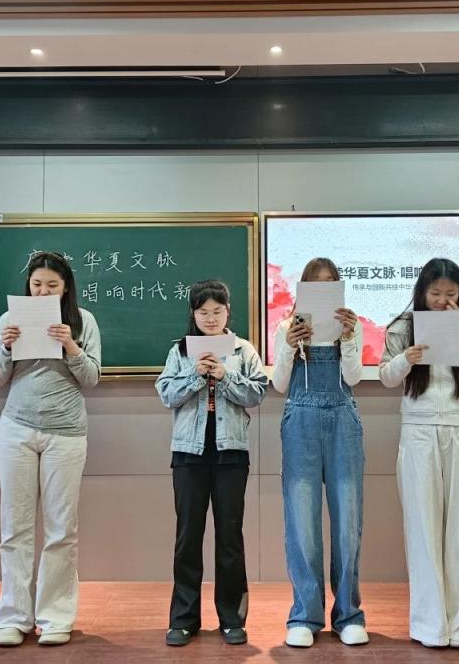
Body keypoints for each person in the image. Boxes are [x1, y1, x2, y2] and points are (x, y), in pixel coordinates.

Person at [0, 251, 101, 647]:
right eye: (37, 285)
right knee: (14, 527)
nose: (42, 291)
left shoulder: (83, 321)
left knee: (61, 529)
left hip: (65, 433)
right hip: (16, 429)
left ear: (65, 288)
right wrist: (5, 348)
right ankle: (13, 618)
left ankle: (55, 617)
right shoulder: (10, 319)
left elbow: (92, 377)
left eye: (52, 285)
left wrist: (71, 346)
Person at [379, 258, 459, 649]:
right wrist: (405, 359)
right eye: (436, 293)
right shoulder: (402, 326)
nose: (443, 301)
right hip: (419, 431)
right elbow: (386, 376)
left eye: (451, 294)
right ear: (422, 292)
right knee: (423, 530)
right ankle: (430, 627)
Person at [156, 280, 268, 647]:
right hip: (188, 453)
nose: (210, 318)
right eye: (203, 312)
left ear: (227, 312)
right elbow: (166, 394)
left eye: (217, 311)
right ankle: (183, 619)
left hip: (230, 453)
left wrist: (225, 374)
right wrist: (195, 374)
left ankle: (232, 618)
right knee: (188, 536)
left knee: (230, 536)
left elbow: (258, 392)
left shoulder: (242, 349)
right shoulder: (180, 350)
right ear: (193, 313)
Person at [271, 258, 367, 648]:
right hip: (301, 418)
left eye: (330, 283)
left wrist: (349, 338)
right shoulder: (285, 328)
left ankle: (348, 614)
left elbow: (354, 377)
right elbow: (279, 385)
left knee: (348, 519)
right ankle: (304, 615)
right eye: (315, 283)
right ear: (303, 289)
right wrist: (289, 347)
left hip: (343, 416)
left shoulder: (351, 326)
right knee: (301, 521)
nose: (323, 288)